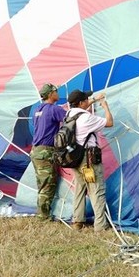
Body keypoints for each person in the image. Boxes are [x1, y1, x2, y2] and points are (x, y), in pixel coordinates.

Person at [66, 89, 114, 231]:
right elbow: (110, 122)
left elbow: (82, 108)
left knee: (79, 189)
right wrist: (104, 106)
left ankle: (77, 221)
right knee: (96, 190)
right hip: (89, 160)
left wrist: (94, 99)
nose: (88, 101)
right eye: (86, 99)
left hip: (75, 158)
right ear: (81, 103)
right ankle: (100, 226)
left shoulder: (69, 115)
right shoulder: (87, 118)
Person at [30, 83, 66, 220]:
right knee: (48, 185)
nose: (58, 93)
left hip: (35, 151)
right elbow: (73, 118)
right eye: (56, 91)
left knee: (41, 183)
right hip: (46, 151)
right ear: (51, 94)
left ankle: (41, 212)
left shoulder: (37, 110)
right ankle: (43, 216)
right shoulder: (53, 109)